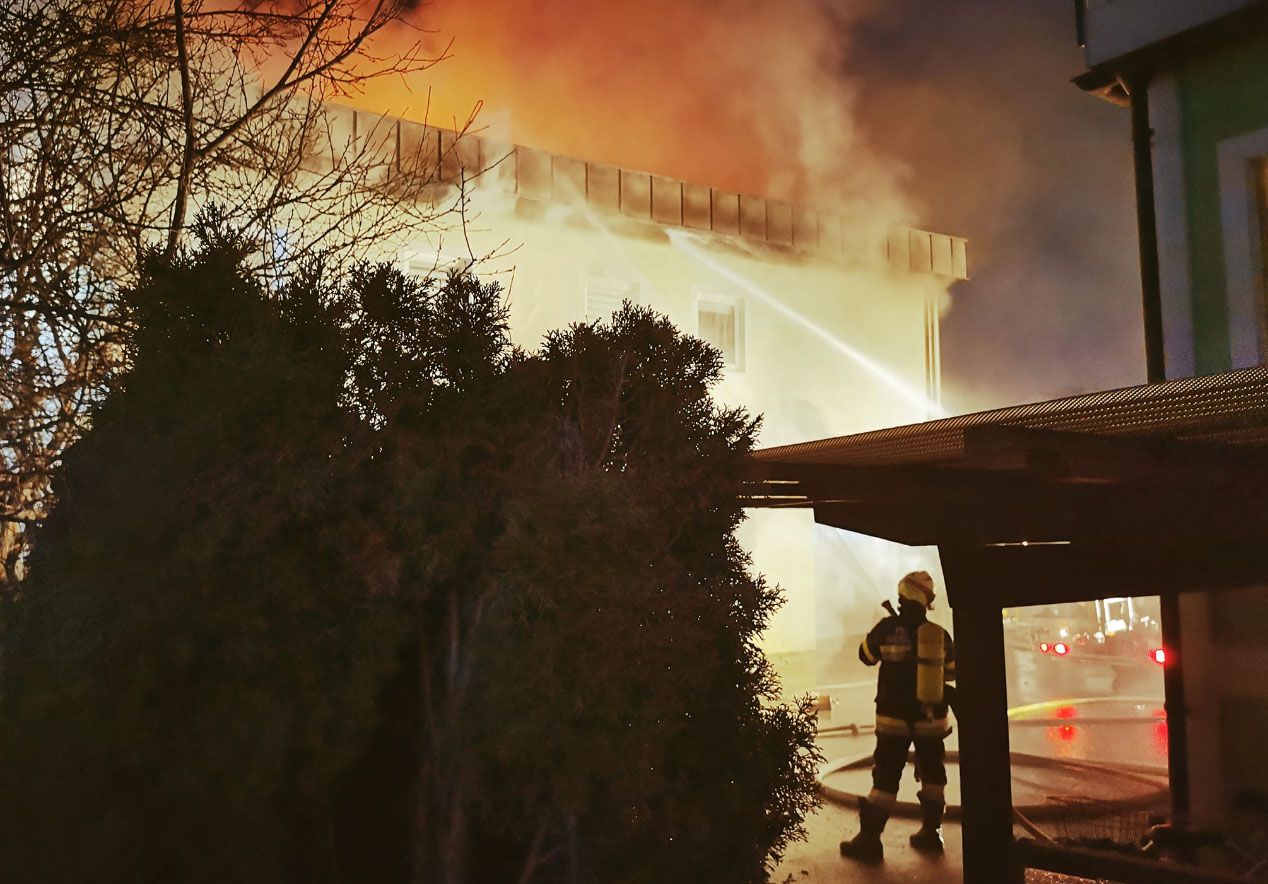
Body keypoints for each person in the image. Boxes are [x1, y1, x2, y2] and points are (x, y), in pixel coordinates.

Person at [839, 570, 956, 863]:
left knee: (886, 777)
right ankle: (932, 834)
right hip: (931, 719)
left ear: (902, 596)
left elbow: (866, 656)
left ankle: (869, 841)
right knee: (933, 774)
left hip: (893, 720)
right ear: (927, 600)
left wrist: (883, 635)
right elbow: (953, 672)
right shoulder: (939, 634)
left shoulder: (887, 627)